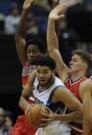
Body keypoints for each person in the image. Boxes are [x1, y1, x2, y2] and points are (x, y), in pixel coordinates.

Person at [47, 4, 91, 134]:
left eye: (75, 60)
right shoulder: (65, 75)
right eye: (71, 59)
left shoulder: (86, 85)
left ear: (84, 66)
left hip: (79, 131)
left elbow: (83, 117)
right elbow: (53, 49)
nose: (70, 62)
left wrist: (57, 117)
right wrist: (50, 20)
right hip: (63, 128)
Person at [19, 55, 83, 135]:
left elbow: (82, 114)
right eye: (39, 71)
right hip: (43, 131)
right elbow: (22, 99)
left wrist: (55, 117)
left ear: (53, 72)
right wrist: (29, 109)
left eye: (45, 72)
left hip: (59, 132)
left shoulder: (59, 90)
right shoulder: (34, 76)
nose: (41, 75)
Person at [9, 0, 47, 135]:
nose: (30, 54)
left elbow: (55, 40)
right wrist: (25, 11)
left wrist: (54, 14)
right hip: (27, 115)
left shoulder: (49, 66)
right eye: (29, 51)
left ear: (43, 53)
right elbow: (19, 37)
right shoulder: (26, 64)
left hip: (43, 117)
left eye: (34, 51)